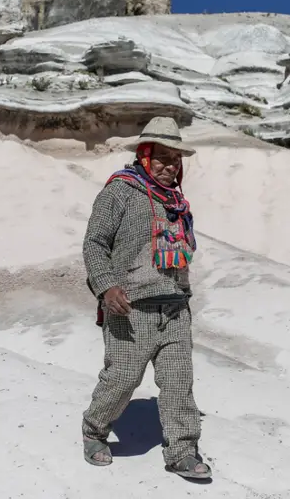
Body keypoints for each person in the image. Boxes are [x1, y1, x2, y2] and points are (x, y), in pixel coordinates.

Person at [80, 116, 211, 480]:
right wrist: (107, 286)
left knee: (178, 381)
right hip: (130, 308)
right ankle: (94, 430)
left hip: (173, 307)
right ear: (145, 154)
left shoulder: (176, 201)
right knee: (122, 378)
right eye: (163, 157)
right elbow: (94, 243)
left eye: (176, 159)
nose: (170, 165)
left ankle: (182, 451)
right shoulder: (120, 191)